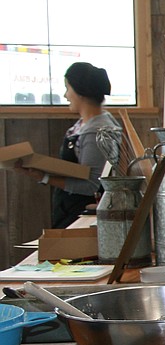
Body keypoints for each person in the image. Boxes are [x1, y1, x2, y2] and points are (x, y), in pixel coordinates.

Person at [18, 62, 122, 228]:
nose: (66, 95)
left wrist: (45, 177)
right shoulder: (86, 125)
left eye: (68, 88)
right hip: (70, 212)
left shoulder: (96, 131)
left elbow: (92, 186)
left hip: (82, 218)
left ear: (80, 92)